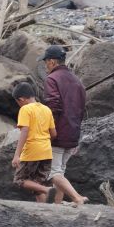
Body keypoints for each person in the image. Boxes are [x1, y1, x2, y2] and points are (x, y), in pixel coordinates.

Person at [42, 45, 88, 205]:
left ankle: (77, 198)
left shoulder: (52, 79)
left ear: (52, 62)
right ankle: (57, 204)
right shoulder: (77, 80)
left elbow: (52, 106)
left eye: (46, 62)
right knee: (60, 171)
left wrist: (48, 131)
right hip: (73, 132)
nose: (45, 65)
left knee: (53, 172)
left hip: (58, 133)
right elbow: (82, 109)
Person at [11, 81, 56, 202]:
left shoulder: (25, 109)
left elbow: (24, 131)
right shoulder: (46, 109)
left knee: (19, 180)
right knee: (38, 184)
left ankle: (48, 190)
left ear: (21, 99)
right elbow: (54, 133)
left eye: (18, 103)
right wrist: (45, 143)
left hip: (32, 151)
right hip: (46, 152)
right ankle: (44, 210)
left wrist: (17, 155)